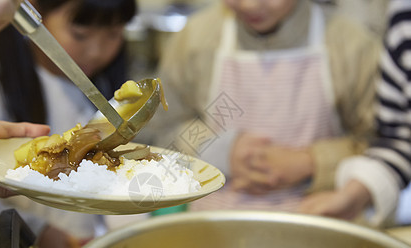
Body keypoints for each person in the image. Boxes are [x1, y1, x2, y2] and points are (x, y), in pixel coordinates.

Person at [0, 0, 137, 248]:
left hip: (69, 247)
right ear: (33, 12)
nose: (96, 50)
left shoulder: (102, 84)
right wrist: (39, 231)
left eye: (114, 34)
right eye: (80, 34)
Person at [135, 0, 381, 213]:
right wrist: (217, 149)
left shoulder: (350, 45)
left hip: (318, 221)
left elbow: (383, 145)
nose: (249, 5)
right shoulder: (196, 39)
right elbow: (159, 131)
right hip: (212, 226)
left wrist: (313, 162)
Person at [299, 0, 411, 227]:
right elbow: (399, 137)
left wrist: (315, 162)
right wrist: (357, 192)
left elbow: (365, 135)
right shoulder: (403, 19)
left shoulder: (350, 44)